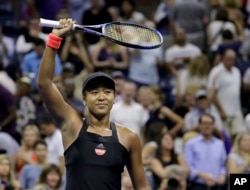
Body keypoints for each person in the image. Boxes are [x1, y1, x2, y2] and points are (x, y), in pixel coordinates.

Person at [37, 18, 150, 190]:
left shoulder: (129, 138)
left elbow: (142, 187)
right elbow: (44, 82)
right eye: (94, 92)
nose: (101, 97)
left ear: (114, 97)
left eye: (107, 92)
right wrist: (55, 38)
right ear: (84, 99)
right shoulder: (72, 125)